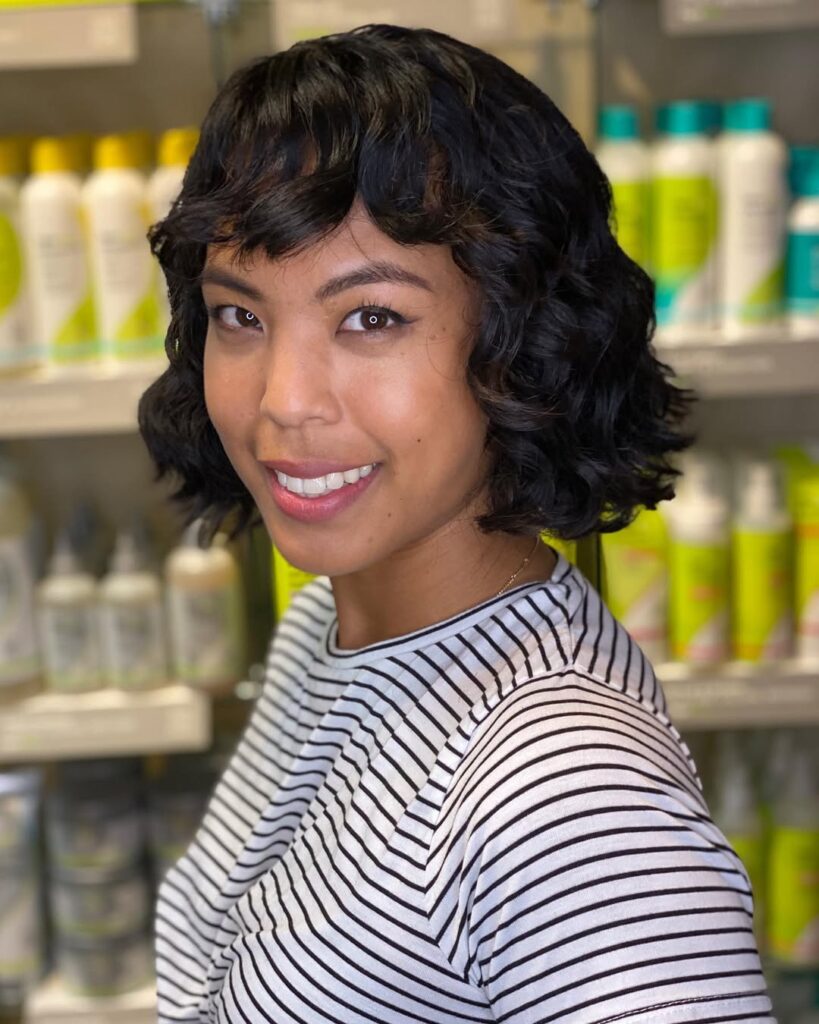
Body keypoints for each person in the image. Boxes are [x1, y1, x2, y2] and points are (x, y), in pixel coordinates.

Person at [139, 24, 773, 1024]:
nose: (283, 402)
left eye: (371, 318)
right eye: (241, 316)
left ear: (520, 340)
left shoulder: (569, 804)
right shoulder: (328, 628)